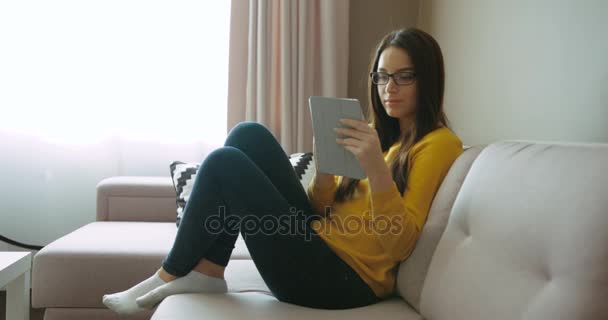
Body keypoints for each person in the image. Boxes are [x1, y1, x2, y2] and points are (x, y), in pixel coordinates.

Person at [102, 27, 463, 314]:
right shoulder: (376, 136)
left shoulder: (438, 144)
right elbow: (322, 210)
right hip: (316, 243)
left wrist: (376, 170)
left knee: (223, 163)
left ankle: (170, 272)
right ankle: (209, 271)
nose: (389, 88)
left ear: (427, 80)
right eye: (382, 77)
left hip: (343, 281)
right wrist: (325, 172)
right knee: (248, 134)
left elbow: (400, 246)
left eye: (404, 77)